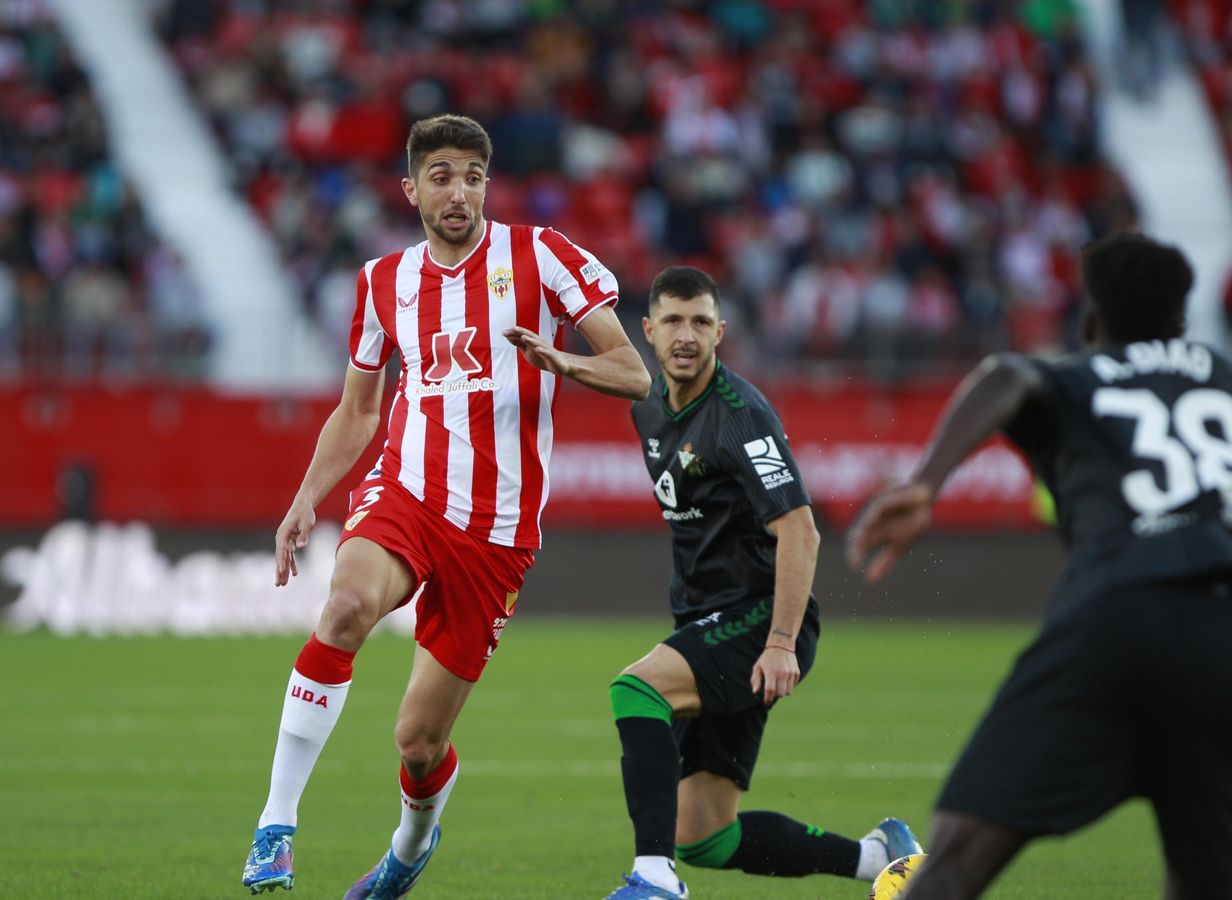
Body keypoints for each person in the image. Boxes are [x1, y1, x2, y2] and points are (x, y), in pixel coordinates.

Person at [241, 114, 651, 898]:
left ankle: (410, 843)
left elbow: (635, 373)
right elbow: (360, 408)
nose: (458, 191)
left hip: (498, 532)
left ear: (486, 185)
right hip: (408, 491)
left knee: (418, 741)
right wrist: (307, 495)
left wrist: (559, 359)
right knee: (346, 608)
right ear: (411, 189)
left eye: (471, 175)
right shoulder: (382, 281)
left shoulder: (542, 255)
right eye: (441, 176)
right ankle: (275, 826)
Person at [846, 231, 1232, 899]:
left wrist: (928, 481)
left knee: (956, 862)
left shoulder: (1080, 374)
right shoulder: (1222, 375)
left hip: (1121, 613)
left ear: (1088, 322)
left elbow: (1008, 375)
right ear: (1180, 319)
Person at [605, 266, 921, 900]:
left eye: (699, 322)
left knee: (636, 691)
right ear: (649, 331)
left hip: (762, 618)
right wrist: (556, 360)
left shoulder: (739, 415)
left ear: (721, 331)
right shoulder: (650, 408)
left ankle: (653, 879)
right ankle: (880, 859)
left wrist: (779, 640)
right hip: (706, 621)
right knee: (706, 836)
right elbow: (607, 376)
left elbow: (801, 530)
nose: (686, 336)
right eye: (672, 321)